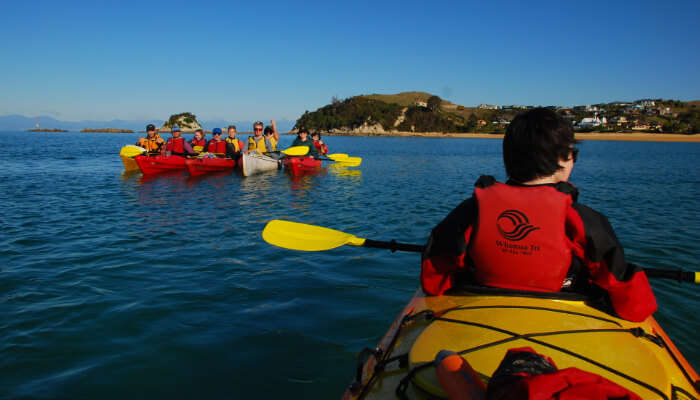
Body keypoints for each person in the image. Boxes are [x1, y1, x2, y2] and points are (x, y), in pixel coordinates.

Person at [421, 108, 657, 322]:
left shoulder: (471, 210)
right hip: (559, 318)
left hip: (481, 314)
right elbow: (634, 305)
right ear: (565, 160)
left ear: (507, 160)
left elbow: (433, 278)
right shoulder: (584, 220)